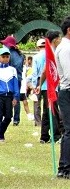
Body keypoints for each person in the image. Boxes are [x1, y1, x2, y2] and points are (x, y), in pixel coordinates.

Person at [33, 32, 64, 144]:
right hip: (50, 87)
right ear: (55, 39)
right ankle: (55, 136)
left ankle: (44, 136)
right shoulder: (51, 52)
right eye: (59, 38)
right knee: (53, 111)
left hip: (48, 87)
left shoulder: (47, 52)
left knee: (47, 112)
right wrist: (40, 85)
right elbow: (45, 71)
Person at [0, 47, 19, 142]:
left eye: (7, 56)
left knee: (9, 116)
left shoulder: (12, 70)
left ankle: (0, 130)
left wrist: (16, 96)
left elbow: (15, 84)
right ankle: (0, 136)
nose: (5, 59)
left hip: (8, 96)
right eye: (3, 56)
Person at [55, 16, 70, 178]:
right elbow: (68, 74)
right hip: (68, 91)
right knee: (69, 130)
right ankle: (65, 168)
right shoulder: (66, 48)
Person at [0, 35, 27, 125]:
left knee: (8, 98)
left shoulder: (8, 54)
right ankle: (16, 119)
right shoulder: (21, 55)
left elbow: (7, 67)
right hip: (18, 78)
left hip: (9, 79)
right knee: (17, 98)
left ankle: (8, 116)